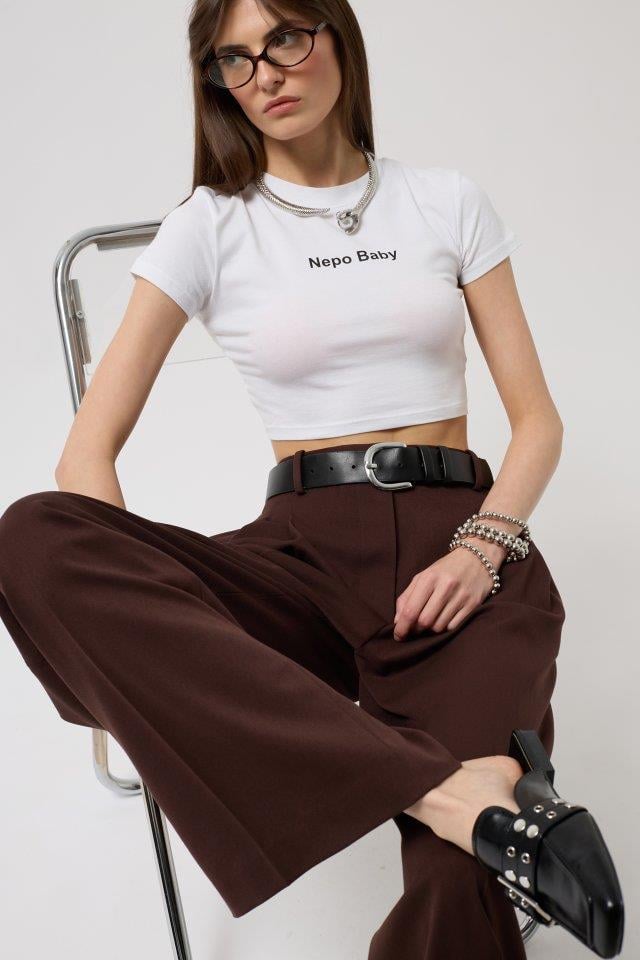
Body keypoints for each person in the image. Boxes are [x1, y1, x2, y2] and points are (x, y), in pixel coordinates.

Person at [0, 1, 624, 958]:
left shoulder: (445, 201)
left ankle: (463, 815)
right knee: (32, 537)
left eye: (285, 39)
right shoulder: (208, 226)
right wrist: (149, 632)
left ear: (337, 37)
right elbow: (85, 458)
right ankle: (449, 790)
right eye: (233, 60)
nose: (265, 75)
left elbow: (537, 422)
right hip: (300, 556)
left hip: (464, 555)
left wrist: (483, 548)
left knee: (460, 876)